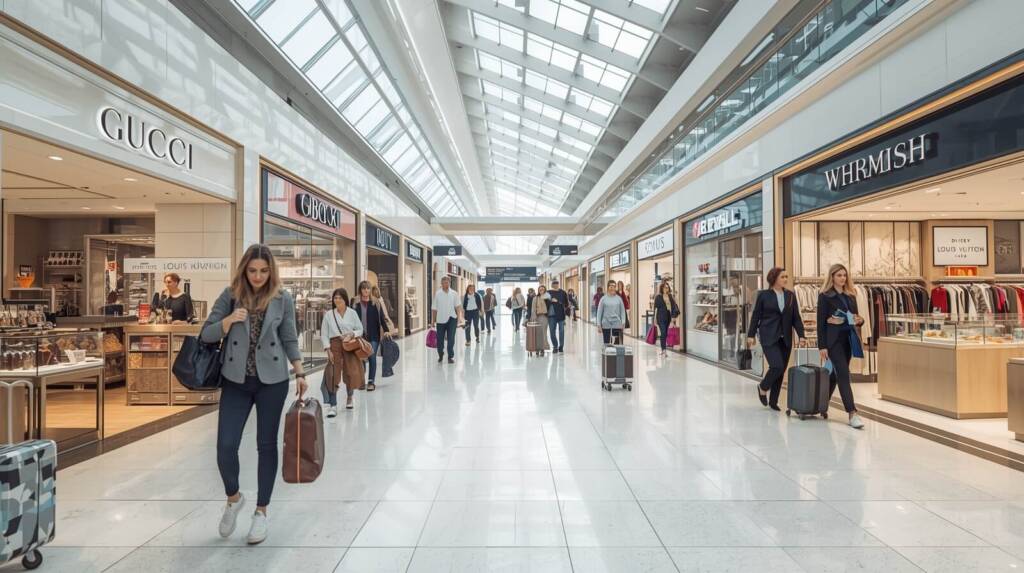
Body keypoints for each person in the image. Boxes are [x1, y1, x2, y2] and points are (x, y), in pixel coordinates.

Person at [201, 244, 305, 546]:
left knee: (266, 446)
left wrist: (299, 372)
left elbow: (289, 337)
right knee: (226, 445)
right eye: (252, 270)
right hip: (235, 379)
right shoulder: (230, 295)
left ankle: (261, 512)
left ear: (271, 271)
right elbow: (206, 333)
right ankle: (234, 498)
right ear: (244, 270)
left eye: (263, 270)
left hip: (272, 381)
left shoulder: (282, 299)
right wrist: (229, 320)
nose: (258, 276)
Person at [746, 268, 805, 411]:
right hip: (768, 336)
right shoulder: (764, 295)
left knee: (781, 370)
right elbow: (756, 316)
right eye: (782, 277)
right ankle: (763, 387)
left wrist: (802, 335)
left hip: (786, 338)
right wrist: (750, 335)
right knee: (776, 366)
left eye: (786, 276)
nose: (785, 279)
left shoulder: (790, 295)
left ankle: (774, 401)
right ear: (774, 279)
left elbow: (795, 317)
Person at [818, 263, 866, 430]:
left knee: (834, 375)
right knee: (844, 374)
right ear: (832, 277)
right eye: (839, 275)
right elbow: (820, 323)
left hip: (848, 340)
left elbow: (856, 318)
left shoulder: (851, 295)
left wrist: (860, 320)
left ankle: (821, 406)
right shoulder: (825, 296)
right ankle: (852, 412)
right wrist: (822, 346)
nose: (842, 278)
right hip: (833, 342)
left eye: (844, 275)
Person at [320, 287, 363, 414]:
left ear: (345, 299)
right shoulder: (329, 315)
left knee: (351, 372)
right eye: (335, 297)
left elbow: (360, 329)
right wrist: (328, 349)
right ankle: (333, 405)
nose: (337, 300)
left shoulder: (352, 313)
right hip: (334, 345)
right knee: (332, 374)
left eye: (340, 297)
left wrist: (351, 334)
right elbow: (324, 333)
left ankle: (350, 397)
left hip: (349, 344)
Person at [352, 280, 391, 392]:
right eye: (364, 288)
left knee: (371, 356)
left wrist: (387, 330)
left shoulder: (375, 303)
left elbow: (381, 318)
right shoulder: (355, 302)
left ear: (370, 290)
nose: (366, 290)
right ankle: (361, 380)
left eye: (368, 288)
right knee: (361, 358)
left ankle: (371, 381)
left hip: (373, 334)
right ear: (360, 290)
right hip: (359, 336)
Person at [432, 276, 462, 364]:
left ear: (450, 283)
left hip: (452, 319)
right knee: (440, 339)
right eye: (444, 282)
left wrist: (459, 318)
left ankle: (450, 356)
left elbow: (458, 307)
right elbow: (434, 308)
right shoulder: (437, 294)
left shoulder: (454, 293)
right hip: (440, 320)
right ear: (441, 284)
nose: (446, 284)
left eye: (448, 282)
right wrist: (432, 321)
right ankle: (440, 354)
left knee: (451, 339)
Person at [653, 281, 680, 356]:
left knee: (665, 333)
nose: (666, 289)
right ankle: (664, 350)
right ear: (662, 288)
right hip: (660, 317)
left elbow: (674, 306)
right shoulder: (658, 297)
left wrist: (673, 317)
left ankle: (663, 350)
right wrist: (654, 319)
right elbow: (656, 309)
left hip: (668, 316)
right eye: (665, 287)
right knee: (663, 332)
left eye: (667, 287)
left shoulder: (670, 296)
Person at [546, 280, 569, 353]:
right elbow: (544, 303)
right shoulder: (548, 292)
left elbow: (566, 303)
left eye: (556, 284)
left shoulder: (562, 292)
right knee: (552, 332)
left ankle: (561, 346)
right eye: (554, 284)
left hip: (561, 315)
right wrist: (550, 301)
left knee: (561, 331)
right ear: (551, 285)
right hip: (551, 315)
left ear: (558, 284)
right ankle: (555, 346)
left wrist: (558, 301)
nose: (555, 285)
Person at [531, 285, 550, 356]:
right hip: (537, 317)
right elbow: (533, 309)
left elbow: (550, 307)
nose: (541, 290)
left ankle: (543, 349)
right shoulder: (535, 298)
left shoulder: (547, 298)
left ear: (545, 290)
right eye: (540, 289)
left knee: (544, 333)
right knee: (537, 334)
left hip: (545, 317)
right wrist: (533, 318)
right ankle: (537, 348)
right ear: (538, 290)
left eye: (543, 289)